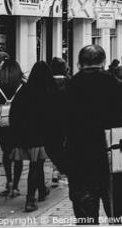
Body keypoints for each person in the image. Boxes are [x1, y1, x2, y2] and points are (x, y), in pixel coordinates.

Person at [44, 44, 122, 224]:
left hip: (80, 165)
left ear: (78, 64)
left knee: (86, 220)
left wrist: (65, 165)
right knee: (120, 218)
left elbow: (51, 136)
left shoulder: (65, 91)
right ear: (104, 62)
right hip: (114, 162)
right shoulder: (119, 88)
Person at [10, 61, 53, 212]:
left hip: (24, 134)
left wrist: (15, 133)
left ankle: (41, 190)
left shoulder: (24, 90)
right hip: (40, 135)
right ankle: (30, 199)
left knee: (37, 164)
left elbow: (13, 113)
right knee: (36, 165)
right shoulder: (48, 92)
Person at [0, 59, 26, 197]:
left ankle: (9, 181)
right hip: (19, 125)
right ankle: (15, 186)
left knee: (6, 153)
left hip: (2, 124)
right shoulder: (22, 85)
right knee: (18, 155)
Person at [49, 57, 70, 187]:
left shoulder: (47, 82)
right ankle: (63, 171)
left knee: (53, 146)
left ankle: (55, 171)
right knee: (65, 145)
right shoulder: (69, 82)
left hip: (51, 120)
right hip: (66, 119)